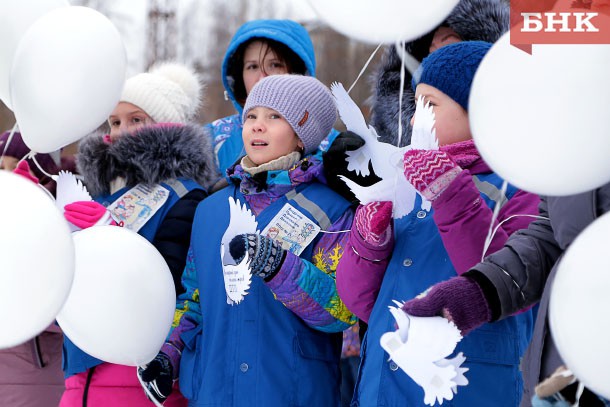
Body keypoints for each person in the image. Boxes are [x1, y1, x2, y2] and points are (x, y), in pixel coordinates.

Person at [336, 41, 542, 406]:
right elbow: (362, 303)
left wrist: (450, 192)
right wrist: (368, 244)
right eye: (416, 105)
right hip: (383, 388)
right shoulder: (404, 182)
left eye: (430, 104)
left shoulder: (519, 186)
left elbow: (507, 280)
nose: (416, 120)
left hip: (464, 388)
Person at [139, 74, 357, 406]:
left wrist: (280, 267)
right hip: (216, 391)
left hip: (291, 391)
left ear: (303, 135)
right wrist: (169, 353)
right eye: (252, 116)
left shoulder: (331, 210)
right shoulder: (211, 210)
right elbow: (194, 298)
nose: (257, 125)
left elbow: (340, 310)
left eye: (274, 117)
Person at [59, 62, 218, 407]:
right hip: (80, 369)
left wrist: (109, 236)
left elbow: (169, 282)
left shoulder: (186, 196)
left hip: (137, 373)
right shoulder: (97, 195)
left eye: (136, 120)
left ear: (166, 126)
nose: (121, 132)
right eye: (115, 122)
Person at [206, 19, 338, 182]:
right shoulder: (210, 139)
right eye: (252, 67)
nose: (262, 77)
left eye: (275, 65)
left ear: (297, 71)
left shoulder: (333, 146)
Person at [0, 138, 64, 407]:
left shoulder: (58, 221)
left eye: (15, 166)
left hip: (35, 369)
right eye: (0, 166)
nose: (6, 176)